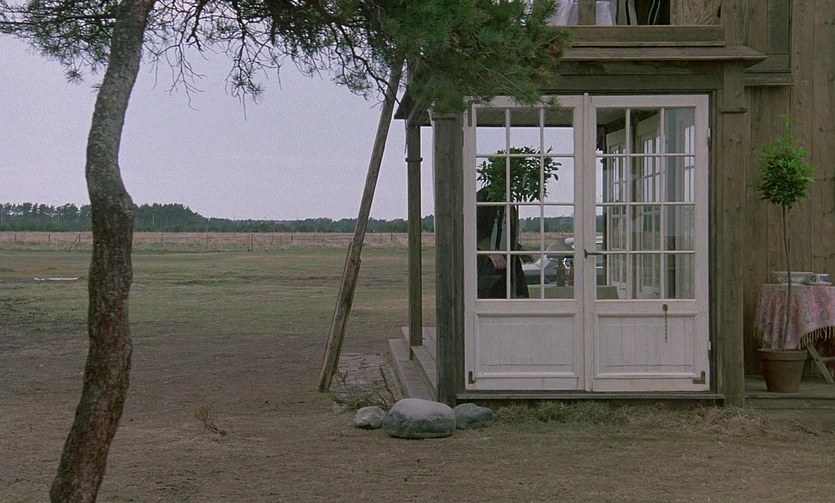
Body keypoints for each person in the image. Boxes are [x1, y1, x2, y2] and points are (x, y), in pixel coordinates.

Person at [476, 188, 529, 299]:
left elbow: (504, 232)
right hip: (488, 265)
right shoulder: (485, 197)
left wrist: (517, 249)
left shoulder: (508, 201)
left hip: (509, 264)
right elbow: (475, 229)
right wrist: (492, 252)